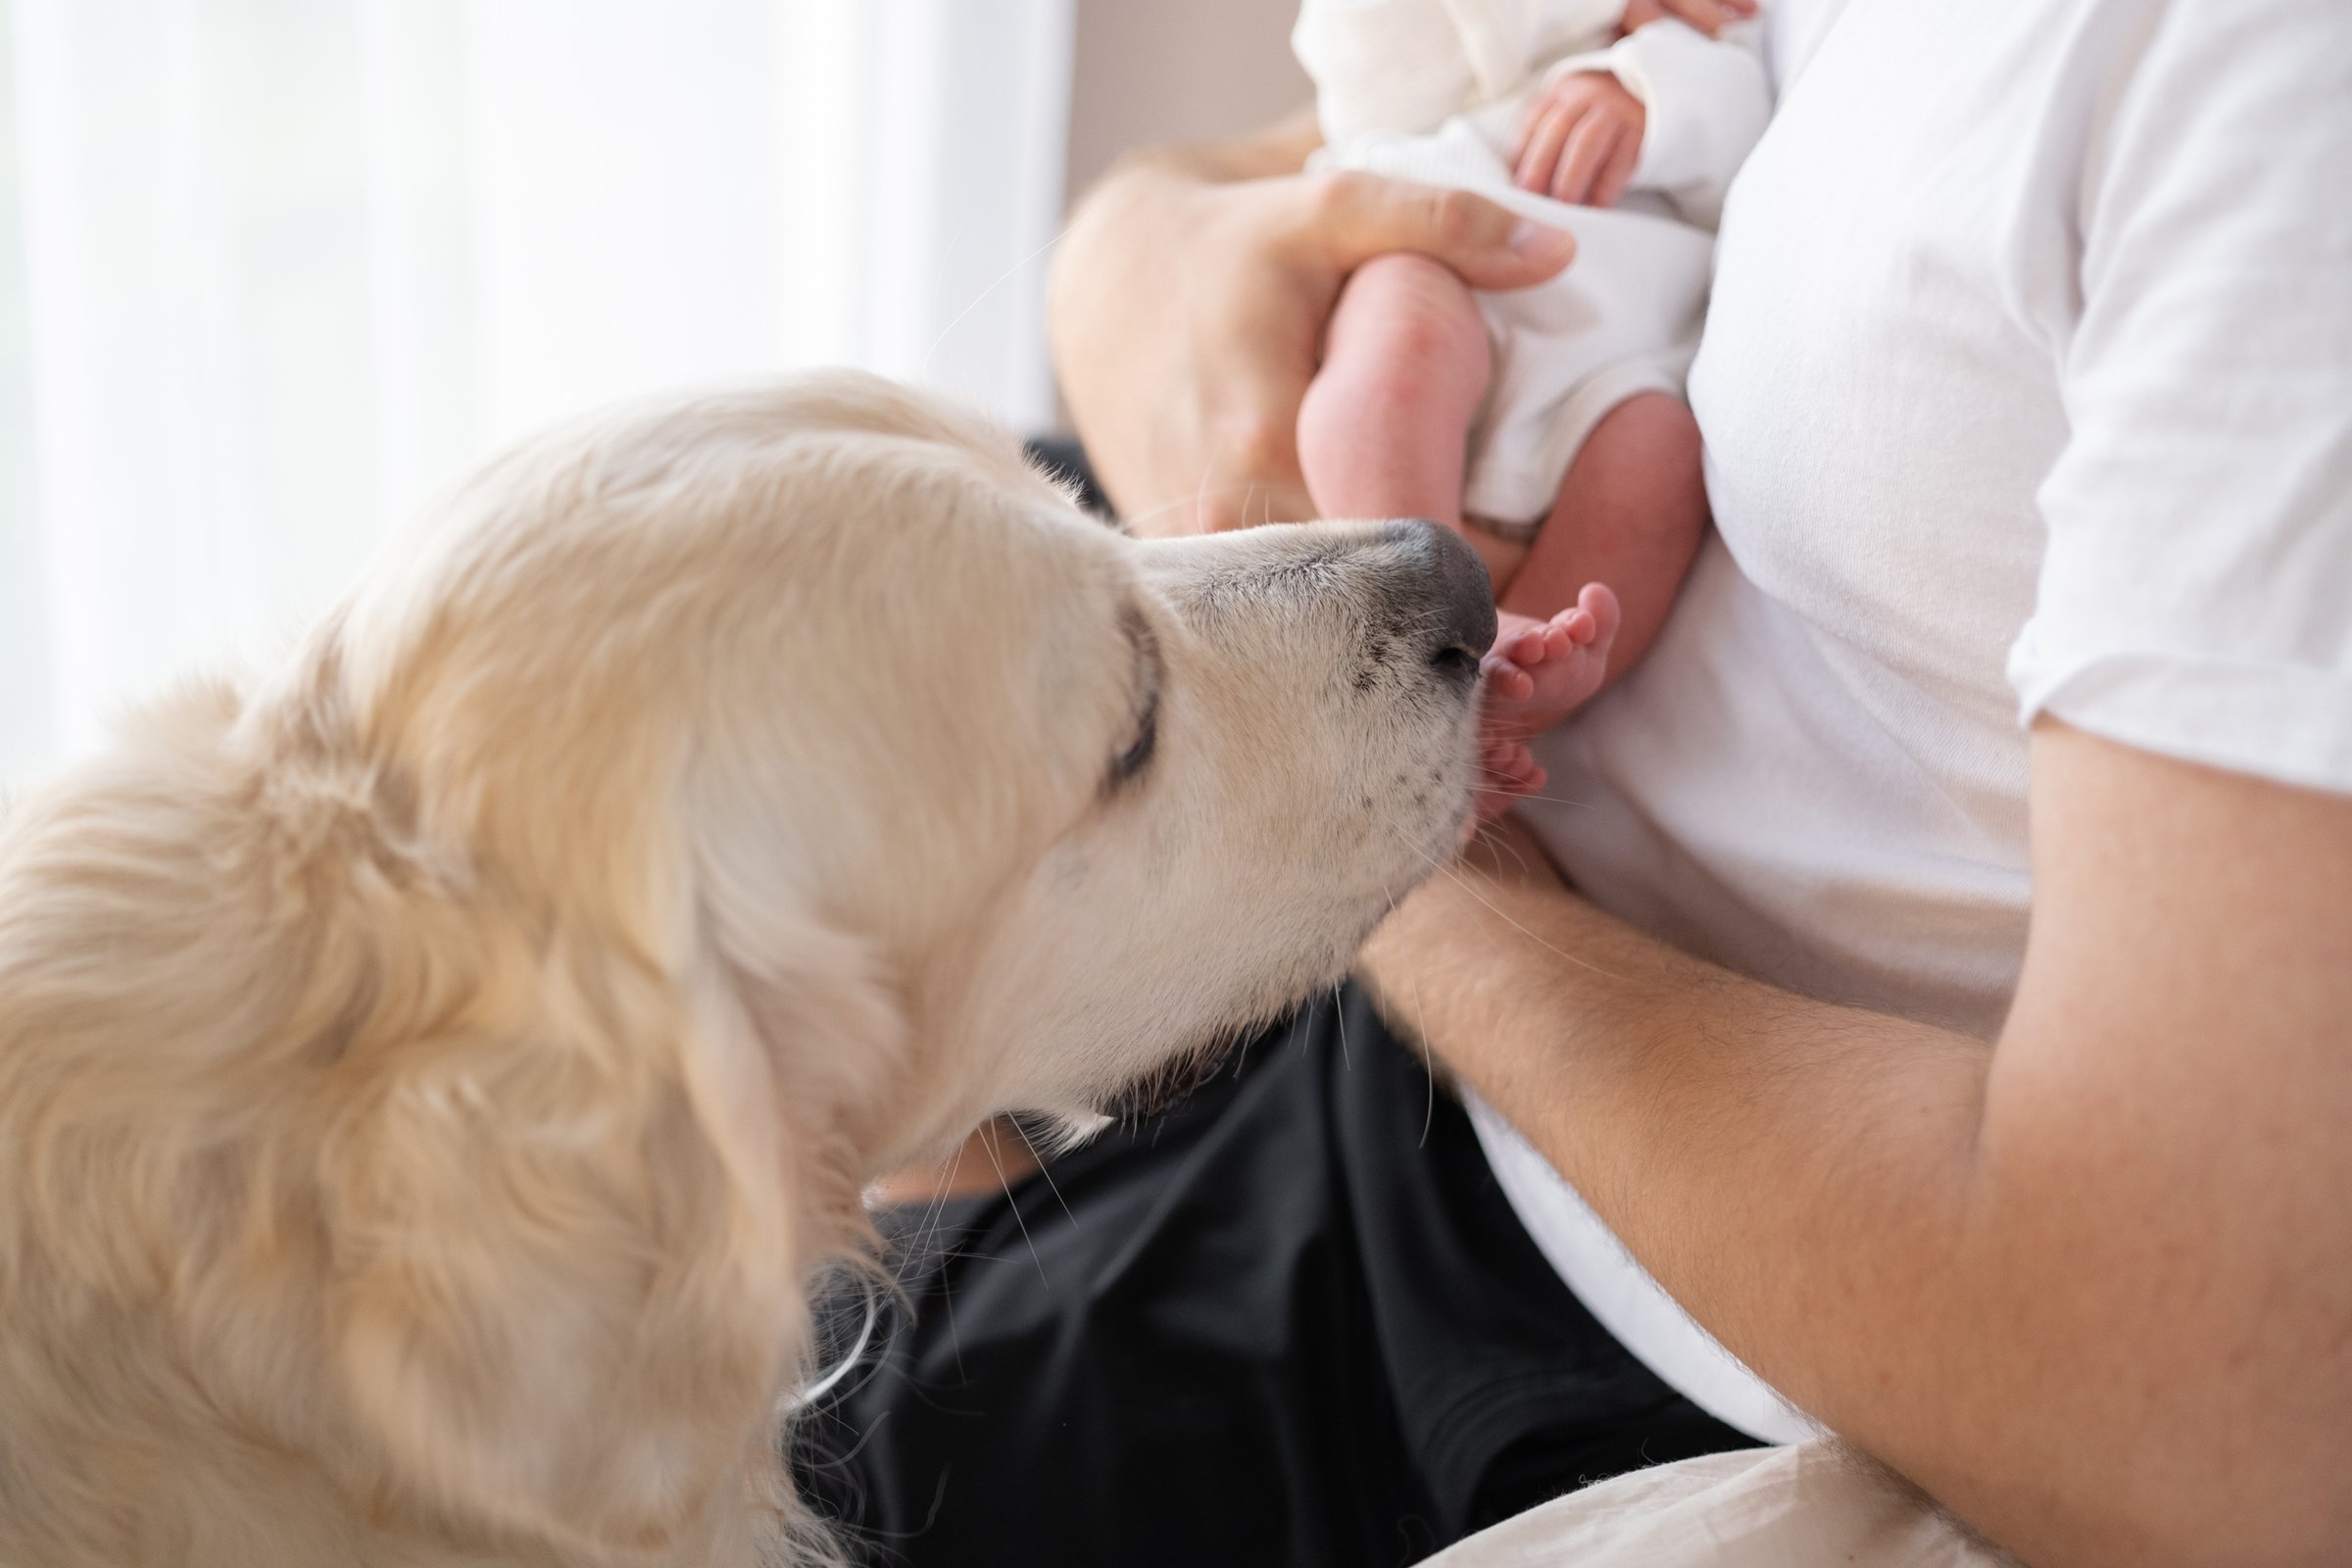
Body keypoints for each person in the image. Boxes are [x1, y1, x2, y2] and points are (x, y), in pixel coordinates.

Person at [798, 2, 2352, 1564]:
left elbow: (2182, 1408)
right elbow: (1315, 139)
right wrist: (1142, 258)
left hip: (1583, 1193)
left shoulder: (2263, 105)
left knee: (805, 1451)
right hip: (1398, 797)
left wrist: (1391, 855)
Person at [1294, 0, 1769, 797]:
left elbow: (1748, 128)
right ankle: (1414, 601)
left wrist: (1644, 87)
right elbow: (1364, 60)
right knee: (1399, 337)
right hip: (1451, 273)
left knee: (1663, 460)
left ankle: (1488, 715)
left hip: (1609, 358)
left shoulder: (1709, 37)